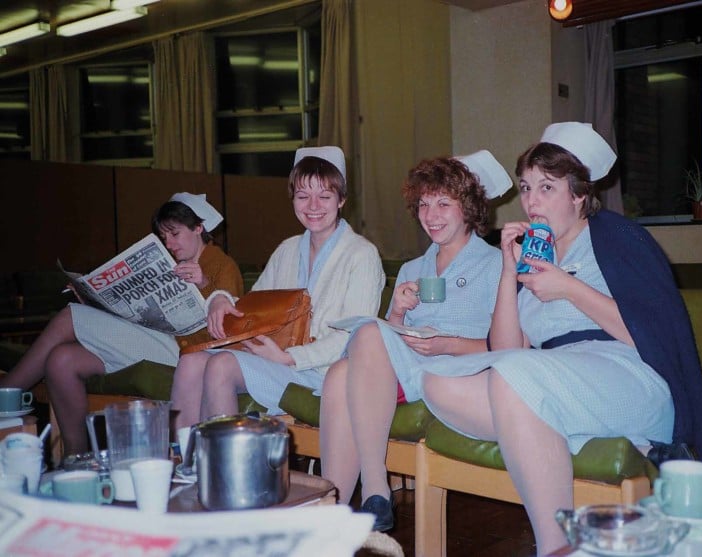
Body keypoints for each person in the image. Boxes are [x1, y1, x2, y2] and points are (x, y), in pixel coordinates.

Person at [419, 122, 702, 554]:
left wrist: (570, 289)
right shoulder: (533, 254)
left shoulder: (617, 238)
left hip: (628, 377)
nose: (531, 201)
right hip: (550, 382)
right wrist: (510, 272)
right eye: (526, 187)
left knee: (511, 380)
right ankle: (552, 437)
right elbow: (508, 351)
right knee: (436, 381)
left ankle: (555, 547)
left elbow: (653, 338)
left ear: (579, 195)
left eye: (546, 187)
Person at [319, 151, 509, 531]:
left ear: (469, 208)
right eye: (423, 203)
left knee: (354, 355)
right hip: (409, 369)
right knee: (342, 371)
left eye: (443, 203)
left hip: (460, 372)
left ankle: (375, 487)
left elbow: (508, 345)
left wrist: (449, 344)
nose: (430, 214)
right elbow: (386, 342)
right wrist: (399, 314)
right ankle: (333, 507)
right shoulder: (412, 268)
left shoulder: (496, 264)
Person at [0, 193, 243, 456]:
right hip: (151, 341)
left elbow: (229, 326)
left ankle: (5, 394)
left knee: (70, 316)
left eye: (174, 233)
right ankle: (78, 456)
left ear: (198, 228)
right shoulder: (172, 263)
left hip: (187, 354)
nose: (169, 243)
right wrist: (93, 299)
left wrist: (205, 284)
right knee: (62, 360)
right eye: (164, 237)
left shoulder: (222, 265)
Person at [170, 146, 385, 429]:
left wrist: (288, 357)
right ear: (292, 199)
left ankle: (226, 467)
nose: (313, 206)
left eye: (324, 196)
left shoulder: (362, 255)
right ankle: (185, 462)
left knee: (221, 365)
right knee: (190, 361)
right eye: (302, 196)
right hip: (274, 359)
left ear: (342, 199)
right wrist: (220, 299)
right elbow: (253, 306)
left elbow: (354, 336)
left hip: (322, 370)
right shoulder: (287, 249)